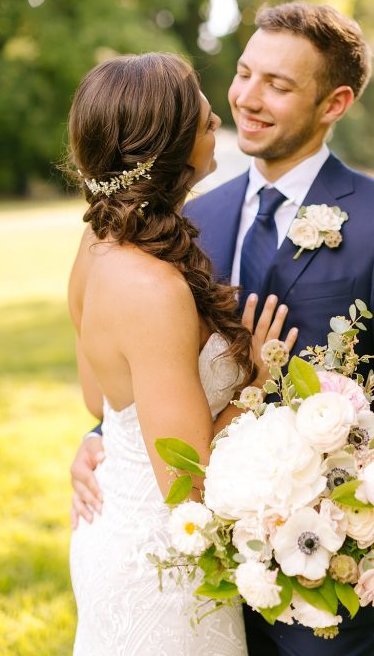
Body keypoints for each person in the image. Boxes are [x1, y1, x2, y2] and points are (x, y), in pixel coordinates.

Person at [69, 3, 374, 656]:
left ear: (334, 103)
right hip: (191, 561)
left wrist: (346, 488)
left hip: (316, 572)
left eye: (277, 85)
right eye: (244, 73)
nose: (246, 99)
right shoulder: (186, 215)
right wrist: (104, 440)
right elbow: (144, 363)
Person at [67, 53, 295, 654]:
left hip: (113, 527)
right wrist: (260, 379)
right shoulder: (154, 288)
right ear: (167, 145)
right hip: (161, 570)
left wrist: (96, 447)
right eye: (200, 109)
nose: (215, 112)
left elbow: (104, 398)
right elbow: (188, 484)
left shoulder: (95, 241)